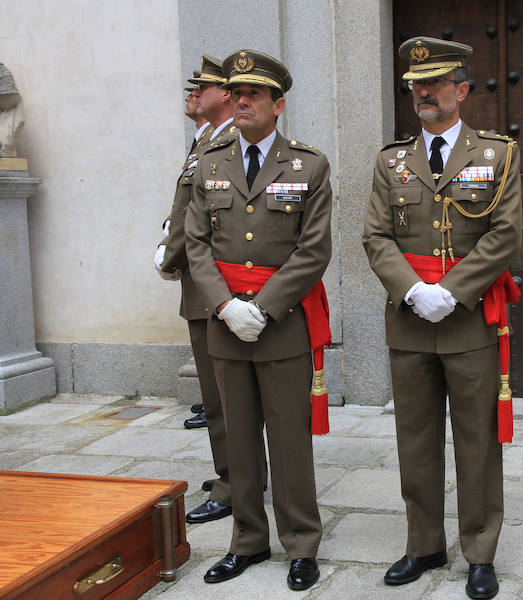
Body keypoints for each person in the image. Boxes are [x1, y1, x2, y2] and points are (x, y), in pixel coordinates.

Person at [362, 36, 522, 600]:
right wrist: (413, 292)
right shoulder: (392, 160)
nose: (424, 93)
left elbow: (506, 234)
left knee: (476, 440)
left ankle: (479, 550)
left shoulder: (497, 154)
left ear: (462, 90)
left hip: (468, 317)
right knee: (416, 437)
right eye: (416, 85)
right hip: (409, 320)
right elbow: (376, 236)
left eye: (434, 84)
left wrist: (451, 292)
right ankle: (423, 542)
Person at [185, 49, 332, 591]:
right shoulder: (211, 161)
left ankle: (301, 544)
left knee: (290, 441)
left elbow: (314, 250)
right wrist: (226, 306)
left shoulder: (309, 165)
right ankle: (247, 540)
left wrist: (263, 308)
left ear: (279, 104)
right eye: (236, 93)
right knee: (239, 439)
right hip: (225, 322)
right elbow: (195, 244)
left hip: (281, 323)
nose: (241, 101)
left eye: (254, 95)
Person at [157, 55, 254, 527]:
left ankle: (235, 484)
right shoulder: (207, 141)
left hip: (214, 283)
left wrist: (169, 255)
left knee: (222, 396)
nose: (193, 94)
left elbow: (199, 220)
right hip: (201, 282)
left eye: (204, 87)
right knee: (217, 395)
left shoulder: (228, 141)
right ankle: (232, 474)